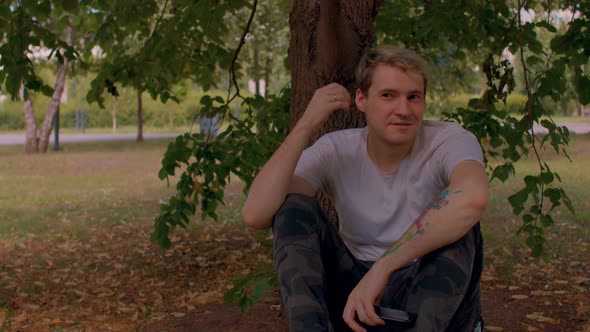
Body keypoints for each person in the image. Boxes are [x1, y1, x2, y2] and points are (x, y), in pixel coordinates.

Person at [242, 45, 488, 332]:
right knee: (293, 207)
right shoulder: (336, 149)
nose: (403, 110)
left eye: (413, 97)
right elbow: (256, 214)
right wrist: (305, 125)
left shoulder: (449, 140)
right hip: (354, 293)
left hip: (428, 295)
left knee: (461, 225)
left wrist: (383, 268)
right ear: (361, 99)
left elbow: (473, 197)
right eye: (388, 96)